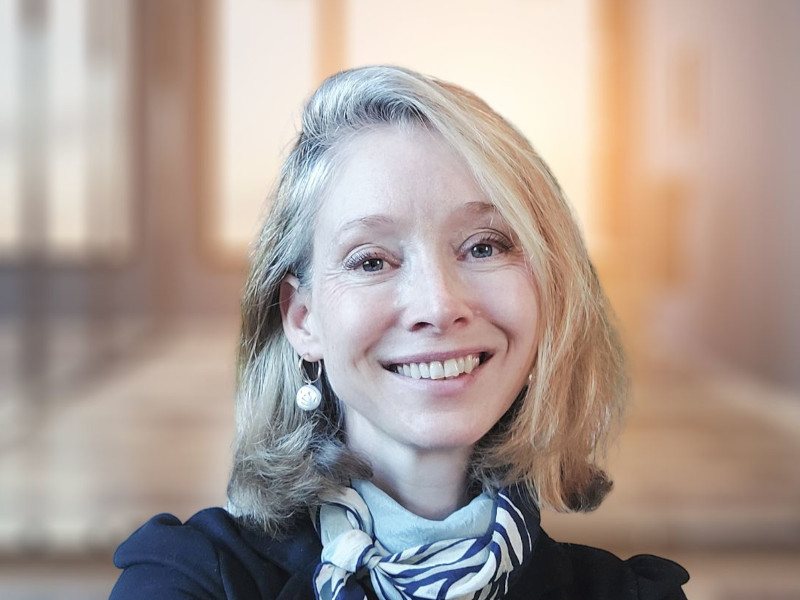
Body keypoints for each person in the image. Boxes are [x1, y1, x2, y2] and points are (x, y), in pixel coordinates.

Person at [110, 65, 689, 599]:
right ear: (303, 319)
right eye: (371, 260)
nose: (438, 306)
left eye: (483, 247)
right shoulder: (188, 581)